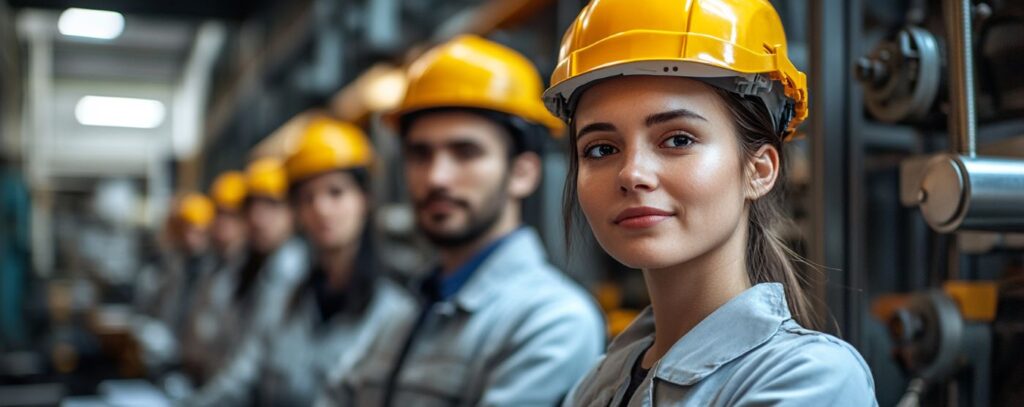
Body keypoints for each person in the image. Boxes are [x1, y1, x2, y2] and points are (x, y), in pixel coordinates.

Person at [542, 0, 877, 405]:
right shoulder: (595, 385)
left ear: (759, 170)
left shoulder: (811, 379)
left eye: (678, 140)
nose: (632, 174)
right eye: (600, 149)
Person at [336, 35, 605, 406]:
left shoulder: (553, 322)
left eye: (465, 152)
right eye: (420, 154)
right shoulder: (401, 314)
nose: (436, 178)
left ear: (522, 173)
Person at [186, 117, 413, 406]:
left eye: (336, 192)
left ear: (365, 199)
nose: (321, 208)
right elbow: (241, 378)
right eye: (308, 197)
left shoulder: (395, 313)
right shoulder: (283, 301)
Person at [180, 171, 249, 384]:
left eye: (232, 214)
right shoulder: (214, 264)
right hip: (204, 374)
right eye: (219, 213)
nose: (223, 222)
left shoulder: (250, 268)